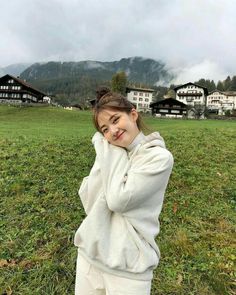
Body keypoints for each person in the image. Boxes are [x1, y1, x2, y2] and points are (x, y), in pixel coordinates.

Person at [74, 88, 174, 295]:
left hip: (129, 269)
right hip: (89, 257)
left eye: (115, 119)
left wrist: (107, 148)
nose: (112, 131)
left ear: (133, 114)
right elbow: (88, 198)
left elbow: (118, 200)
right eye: (104, 130)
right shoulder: (109, 153)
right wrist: (107, 151)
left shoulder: (158, 158)